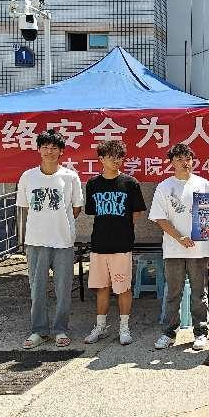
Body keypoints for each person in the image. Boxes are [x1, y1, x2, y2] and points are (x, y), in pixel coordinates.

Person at [17, 130, 83, 349]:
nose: (49, 151)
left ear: (61, 151)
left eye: (54, 147)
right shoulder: (28, 176)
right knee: (37, 288)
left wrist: (60, 223)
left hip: (63, 241)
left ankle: (60, 329)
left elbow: (76, 208)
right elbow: (25, 207)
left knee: (63, 289)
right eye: (45, 147)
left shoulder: (70, 177)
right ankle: (39, 330)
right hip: (36, 241)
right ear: (38, 150)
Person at [149, 143, 209, 351]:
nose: (184, 163)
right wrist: (179, 237)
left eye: (188, 159)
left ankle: (201, 332)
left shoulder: (203, 184)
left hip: (199, 249)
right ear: (172, 163)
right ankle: (169, 333)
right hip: (173, 249)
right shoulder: (164, 186)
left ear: (193, 161)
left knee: (199, 293)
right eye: (179, 159)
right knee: (173, 293)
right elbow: (159, 218)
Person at [83, 140, 147, 346]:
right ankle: (100, 326)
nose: (116, 161)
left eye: (119, 157)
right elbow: (92, 211)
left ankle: (124, 327)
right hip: (99, 244)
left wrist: (122, 227)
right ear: (101, 159)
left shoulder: (130, 183)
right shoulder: (93, 184)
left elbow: (137, 212)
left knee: (123, 288)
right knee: (101, 287)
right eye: (111, 157)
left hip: (122, 245)